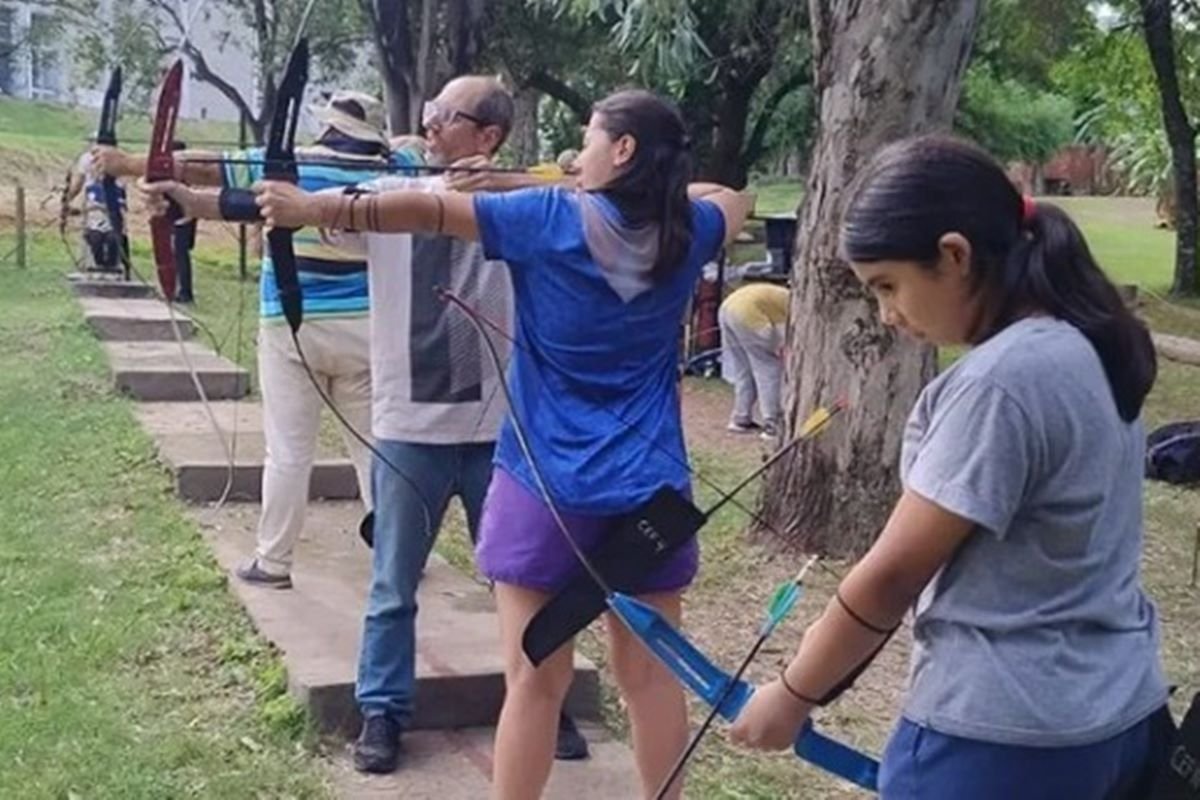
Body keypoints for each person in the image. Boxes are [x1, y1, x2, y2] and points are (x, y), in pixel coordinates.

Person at [245, 88, 753, 799]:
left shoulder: (548, 217)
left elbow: (425, 209)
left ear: (625, 150)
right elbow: (733, 196)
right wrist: (575, 180)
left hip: (545, 486)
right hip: (650, 490)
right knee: (649, 681)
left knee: (534, 681)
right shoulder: (690, 229)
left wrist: (312, 210)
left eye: (591, 137)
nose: (578, 151)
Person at [728, 135, 1168, 800]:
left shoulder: (1002, 382)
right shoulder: (1089, 343)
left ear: (954, 256)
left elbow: (892, 575)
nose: (888, 314)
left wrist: (791, 694)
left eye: (888, 286)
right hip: (1114, 719)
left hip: (1002, 742)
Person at [100, 90, 405, 588]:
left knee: (288, 451)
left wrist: (134, 165)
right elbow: (417, 146)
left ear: (327, 125)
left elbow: (205, 167)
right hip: (365, 329)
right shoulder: (398, 172)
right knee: (372, 448)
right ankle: (398, 559)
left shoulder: (287, 165)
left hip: (292, 325)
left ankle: (273, 562)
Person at [718, 281, 789, 438]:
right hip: (748, 314)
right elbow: (778, 336)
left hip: (727, 308)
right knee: (769, 368)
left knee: (744, 369)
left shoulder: (780, 296)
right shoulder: (794, 305)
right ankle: (772, 422)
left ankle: (740, 418)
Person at [64, 147, 128, 274]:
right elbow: (85, 203)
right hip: (94, 223)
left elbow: (120, 208)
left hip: (111, 223)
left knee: (112, 239)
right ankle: (98, 264)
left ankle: (112, 266)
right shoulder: (91, 188)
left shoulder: (117, 188)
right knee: (95, 238)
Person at [170, 140, 198, 304]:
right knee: (176, 254)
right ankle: (176, 289)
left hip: (183, 218)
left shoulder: (185, 174)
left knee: (181, 254)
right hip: (179, 217)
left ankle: (185, 292)